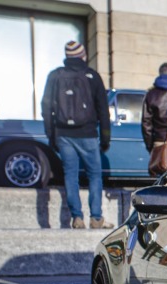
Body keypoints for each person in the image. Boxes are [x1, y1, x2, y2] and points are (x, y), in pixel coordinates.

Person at [41, 41, 112, 229]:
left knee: (70, 175)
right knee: (95, 175)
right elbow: (103, 110)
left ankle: (77, 217)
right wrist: (105, 137)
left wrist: (51, 135)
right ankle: (96, 218)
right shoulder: (92, 76)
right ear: (83, 55)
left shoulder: (55, 76)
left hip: (63, 134)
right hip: (87, 133)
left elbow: (46, 107)